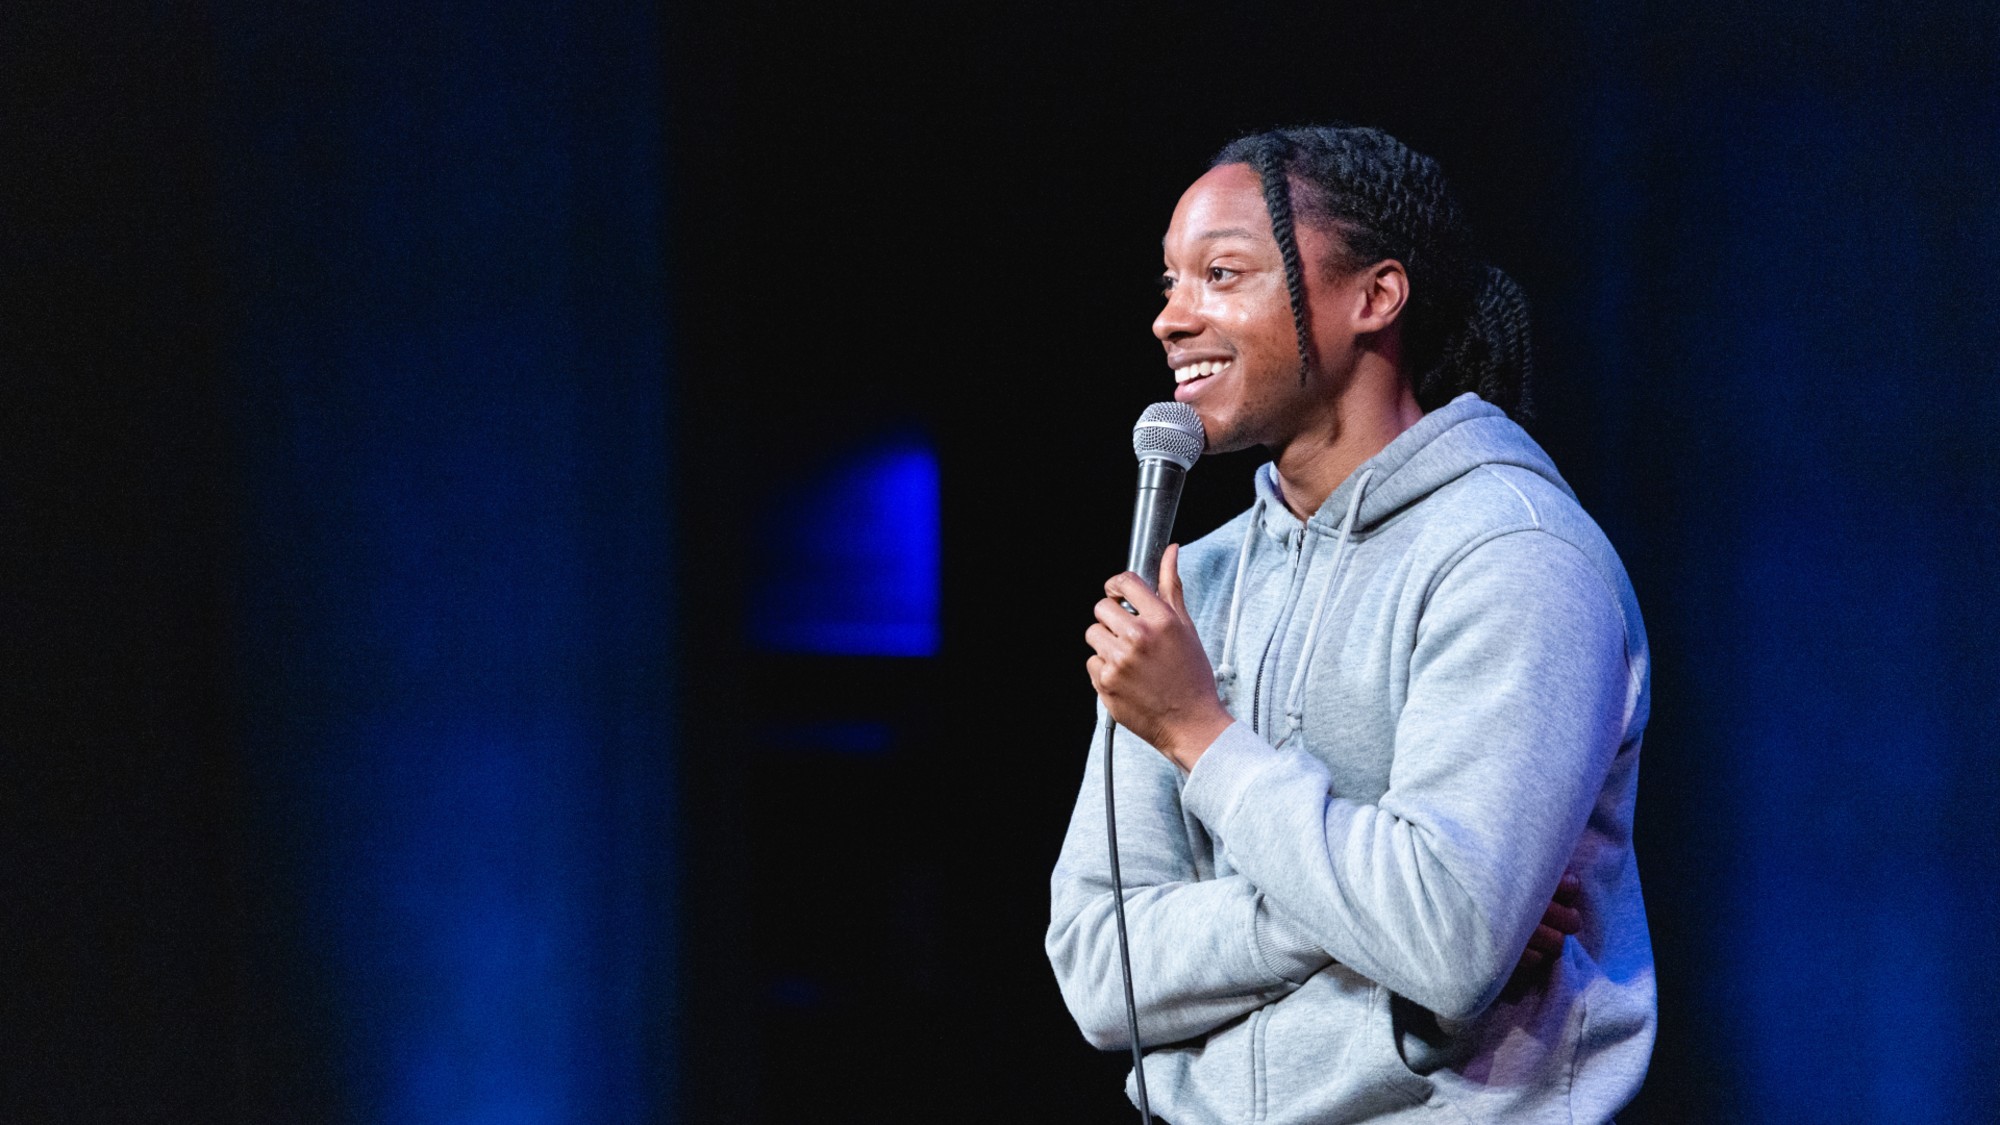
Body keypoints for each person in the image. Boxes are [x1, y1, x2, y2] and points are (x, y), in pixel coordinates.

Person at [1046, 125, 1655, 1124]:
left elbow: (1448, 945)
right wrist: (1347, 917)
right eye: (1168, 282)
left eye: (1221, 273)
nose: (1169, 317)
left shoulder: (1514, 556)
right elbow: (1094, 964)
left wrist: (1199, 733)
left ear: (1372, 297)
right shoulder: (1195, 580)